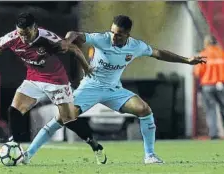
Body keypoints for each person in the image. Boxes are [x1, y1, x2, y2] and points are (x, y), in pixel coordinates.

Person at [23, 15, 206, 165]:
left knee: (144, 110)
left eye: (118, 35)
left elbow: (158, 53)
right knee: (62, 118)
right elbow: (75, 33)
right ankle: (28, 155)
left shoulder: (136, 46)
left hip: (113, 90)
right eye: (112, 32)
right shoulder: (102, 39)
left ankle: (149, 155)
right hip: (90, 87)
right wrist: (66, 41)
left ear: (127, 35)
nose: (113, 37)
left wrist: (187, 60)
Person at [0, 12, 94, 144]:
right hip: (34, 79)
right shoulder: (11, 39)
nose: (23, 38)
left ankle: (93, 143)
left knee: (68, 120)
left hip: (56, 81)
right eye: (20, 34)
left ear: (35, 28)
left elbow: (75, 49)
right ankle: (14, 145)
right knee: (14, 111)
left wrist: (86, 67)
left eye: (27, 34)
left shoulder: (49, 39)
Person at [194, 35, 224, 139]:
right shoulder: (223, 54)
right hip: (223, 85)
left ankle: (214, 134)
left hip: (208, 86)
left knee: (211, 110)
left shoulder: (203, 55)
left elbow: (197, 73)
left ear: (206, 43)